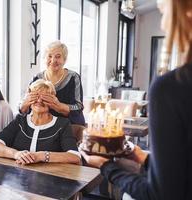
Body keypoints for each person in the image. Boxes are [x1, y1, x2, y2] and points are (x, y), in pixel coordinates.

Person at [80, 0, 192, 199]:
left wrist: (106, 167)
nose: (164, 24)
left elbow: (162, 194)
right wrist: (142, 157)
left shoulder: (172, 87)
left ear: (188, 13)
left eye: (164, 12)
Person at [0, 79, 81, 165]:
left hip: (51, 178)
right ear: (28, 99)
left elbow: (75, 156)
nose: (39, 101)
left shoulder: (63, 124)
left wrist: (41, 156)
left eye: (44, 97)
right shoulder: (20, 121)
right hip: (19, 176)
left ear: (52, 100)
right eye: (35, 96)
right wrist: (16, 154)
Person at [19, 41, 85, 126]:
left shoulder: (73, 77)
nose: (53, 60)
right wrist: (25, 104)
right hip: (43, 125)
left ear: (64, 59)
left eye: (58, 57)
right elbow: (23, 106)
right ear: (44, 58)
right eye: (49, 56)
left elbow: (79, 107)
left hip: (70, 125)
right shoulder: (36, 78)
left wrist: (59, 106)